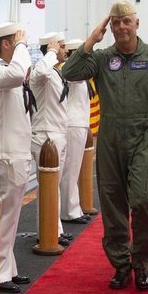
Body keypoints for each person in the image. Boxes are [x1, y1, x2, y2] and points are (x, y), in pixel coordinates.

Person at [61, 1, 148, 291]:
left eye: (126, 21)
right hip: (110, 138)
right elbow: (70, 71)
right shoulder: (103, 58)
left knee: (144, 200)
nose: (121, 28)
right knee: (113, 205)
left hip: (143, 137)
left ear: (136, 24)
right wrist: (92, 39)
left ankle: (141, 261)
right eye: (115, 23)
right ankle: (121, 265)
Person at [0, 22, 33, 294]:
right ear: (6, 44)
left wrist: (22, 46)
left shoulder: (8, 72)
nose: (23, 44)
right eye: (18, 40)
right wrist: (23, 46)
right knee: (4, 218)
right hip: (6, 156)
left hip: (16, 154)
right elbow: (17, 74)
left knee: (10, 218)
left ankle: (7, 268)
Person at [29, 31, 72, 246]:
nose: (65, 50)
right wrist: (52, 52)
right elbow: (38, 73)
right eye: (61, 46)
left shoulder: (56, 73)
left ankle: (55, 229)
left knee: (53, 187)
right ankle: (47, 232)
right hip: (46, 137)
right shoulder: (42, 71)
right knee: (48, 187)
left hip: (57, 134)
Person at [60, 38, 93, 225]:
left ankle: (73, 207)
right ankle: (69, 211)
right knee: (70, 170)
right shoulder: (70, 72)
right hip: (72, 124)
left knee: (74, 169)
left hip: (79, 123)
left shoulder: (80, 73)